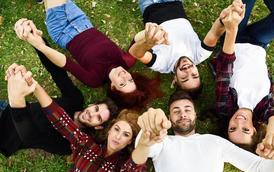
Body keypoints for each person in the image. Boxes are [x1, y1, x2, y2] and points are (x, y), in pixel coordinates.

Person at [5, 65, 150, 172]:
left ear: (130, 141)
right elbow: (60, 119)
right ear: (109, 129)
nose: (118, 136)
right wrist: (32, 84)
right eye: (117, 129)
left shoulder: (122, 171)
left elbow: (135, 165)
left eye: (126, 134)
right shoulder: (87, 145)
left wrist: (146, 142)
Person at [135, 89, 274, 172]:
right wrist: (147, 132)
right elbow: (140, 152)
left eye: (187, 109)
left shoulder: (215, 142)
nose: (182, 114)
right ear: (169, 118)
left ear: (195, 115)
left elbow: (264, 171)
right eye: (176, 111)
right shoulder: (163, 142)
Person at [14, 0, 163, 110]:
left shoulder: (94, 80)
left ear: (113, 87)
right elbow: (136, 41)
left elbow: (65, 63)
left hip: (62, 32)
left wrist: (40, 46)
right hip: (82, 21)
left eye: (122, 83)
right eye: (130, 79)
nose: (125, 76)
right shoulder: (127, 62)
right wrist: (149, 32)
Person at [212, 0, 274, 151]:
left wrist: (232, 29)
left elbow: (225, 65)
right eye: (245, 130)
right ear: (255, 130)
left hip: (234, 39)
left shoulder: (225, 106)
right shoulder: (262, 110)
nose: (238, 122)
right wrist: (272, 138)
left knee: (240, 7)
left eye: (232, 128)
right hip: (258, 42)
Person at [1, 53, 118, 157]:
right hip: (6, 108)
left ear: (98, 126)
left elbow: (31, 137)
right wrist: (37, 41)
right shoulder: (75, 99)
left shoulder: (71, 143)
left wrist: (16, 99)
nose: (91, 114)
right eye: (96, 109)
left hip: (6, 135)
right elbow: (57, 72)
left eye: (98, 118)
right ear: (92, 104)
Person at [129, 0, 242, 96]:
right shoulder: (200, 54)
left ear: (175, 80)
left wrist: (148, 43)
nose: (188, 70)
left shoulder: (162, 64)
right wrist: (224, 18)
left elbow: (137, 53)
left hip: (150, 5)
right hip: (175, 3)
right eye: (194, 75)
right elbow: (215, 33)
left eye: (184, 78)